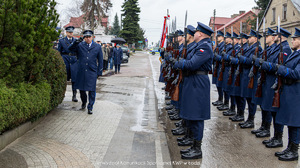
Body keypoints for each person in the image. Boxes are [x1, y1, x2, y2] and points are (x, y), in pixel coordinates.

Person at [173, 22, 214, 159]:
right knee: (190, 112)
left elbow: (192, 64)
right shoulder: (199, 46)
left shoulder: (205, 47)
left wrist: (178, 63)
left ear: (200, 34)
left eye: (196, 32)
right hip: (192, 81)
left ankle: (197, 148)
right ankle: (191, 141)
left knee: (196, 116)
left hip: (198, 82)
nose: (193, 34)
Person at [260, 27, 292, 147]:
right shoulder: (276, 48)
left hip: (276, 81)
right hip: (270, 81)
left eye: (275, 35)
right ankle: (274, 136)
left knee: (276, 111)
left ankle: (278, 138)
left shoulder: (285, 49)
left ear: (281, 36)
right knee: (272, 110)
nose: (273, 37)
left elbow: (279, 66)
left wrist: (265, 64)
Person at [274, 27, 300, 161]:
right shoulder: (295, 53)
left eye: (295, 38)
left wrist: (282, 69)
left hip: (296, 91)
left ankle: (294, 150)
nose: (293, 40)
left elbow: (297, 73)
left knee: (295, 122)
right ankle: (289, 147)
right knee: (291, 121)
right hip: (289, 90)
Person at [68, 30, 103, 114]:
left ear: (92, 37)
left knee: (91, 90)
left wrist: (99, 72)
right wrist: (76, 42)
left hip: (92, 71)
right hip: (81, 70)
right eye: (86, 37)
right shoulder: (80, 45)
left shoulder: (97, 46)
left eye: (89, 37)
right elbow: (70, 49)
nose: (88, 38)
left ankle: (90, 106)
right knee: (82, 89)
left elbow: (100, 60)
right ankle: (84, 102)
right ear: (84, 38)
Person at [251, 28, 277, 138]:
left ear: (273, 37)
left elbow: (274, 66)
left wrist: (260, 62)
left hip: (270, 79)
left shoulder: (277, 50)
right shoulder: (269, 49)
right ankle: (263, 126)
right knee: (263, 105)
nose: (265, 38)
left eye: (268, 36)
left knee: (269, 106)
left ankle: (268, 129)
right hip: (265, 79)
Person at [238, 29, 263, 129]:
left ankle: (251, 119)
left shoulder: (257, 48)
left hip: (251, 75)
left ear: (256, 38)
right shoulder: (250, 47)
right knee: (248, 98)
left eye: (250, 37)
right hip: (246, 74)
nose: (249, 39)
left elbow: (249, 61)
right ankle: (248, 119)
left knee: (251, 99)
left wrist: (241, 58)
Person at [57, 26, 78, 102]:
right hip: (65, 60)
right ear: (66, 32)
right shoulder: (62, 41)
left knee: (74, 79)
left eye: (72, 32)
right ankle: (61, 95)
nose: (70, 33)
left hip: (73, 60)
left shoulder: (75, 41)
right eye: (69, 32)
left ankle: (74, 95)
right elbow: (58, 52)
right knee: (64, 78)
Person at [212, 31, 225, 107]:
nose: (217, 38)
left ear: (222, 38)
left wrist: (217, 57)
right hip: (217, 66)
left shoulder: (223, 46)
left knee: (220, 85)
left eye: (219, 37)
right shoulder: (218, 46)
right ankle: (219, 99)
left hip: (220, 66)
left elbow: (222, 58)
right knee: (217, 84)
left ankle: (222, 99)